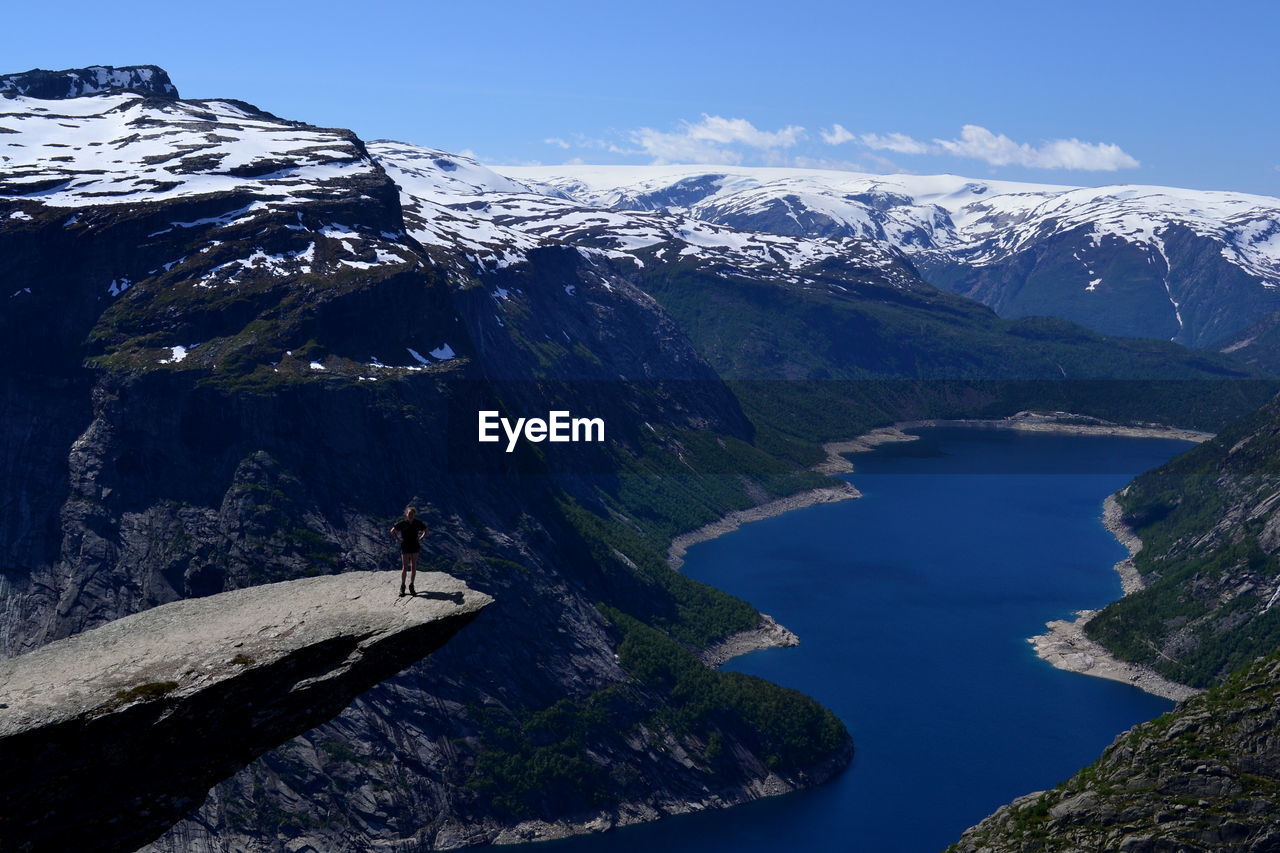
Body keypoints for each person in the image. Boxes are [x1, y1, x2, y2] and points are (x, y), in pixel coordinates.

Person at [390, 506, 428, 597]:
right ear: (406, 514)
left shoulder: (418, 523)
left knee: (413, 566)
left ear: (414, 514)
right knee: (405, 567)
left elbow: (426, 531)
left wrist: (421, 538)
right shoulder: (402, 523)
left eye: (412, 514)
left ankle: (411, 585)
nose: (410, 515)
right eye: (409, 514)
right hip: (405, 546)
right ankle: (403, 586)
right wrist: (398, 539)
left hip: (414, 546)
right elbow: (392, 531)